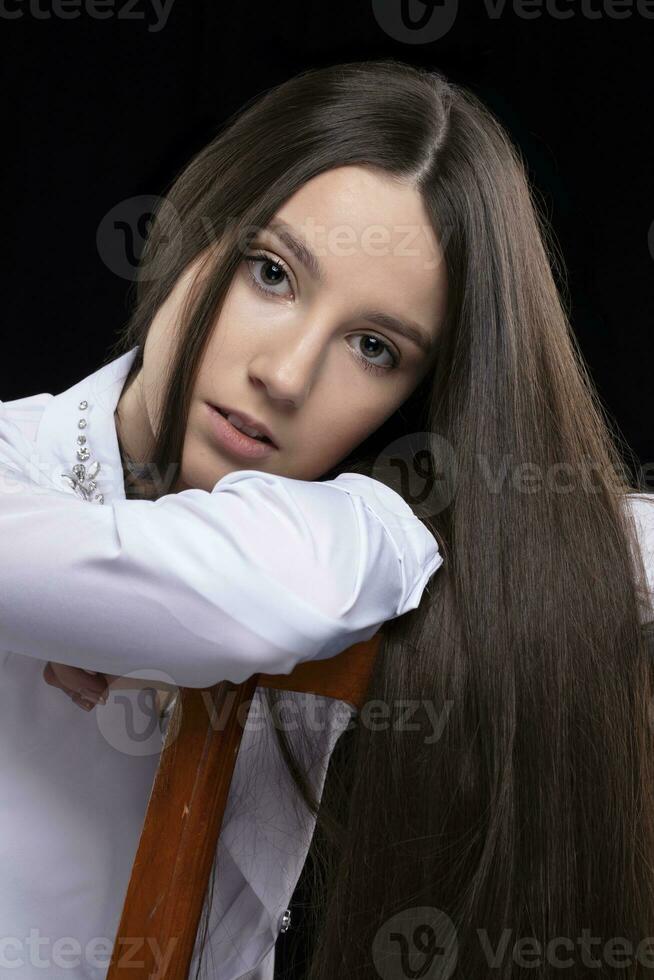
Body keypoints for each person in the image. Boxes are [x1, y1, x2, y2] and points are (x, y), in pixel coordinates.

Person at [1, 57, 653, 980]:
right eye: (271, 272)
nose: (289, 374)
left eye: (375, 347)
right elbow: (243, 602)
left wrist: (385, 519)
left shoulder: (339, 535)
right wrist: (144, 595)